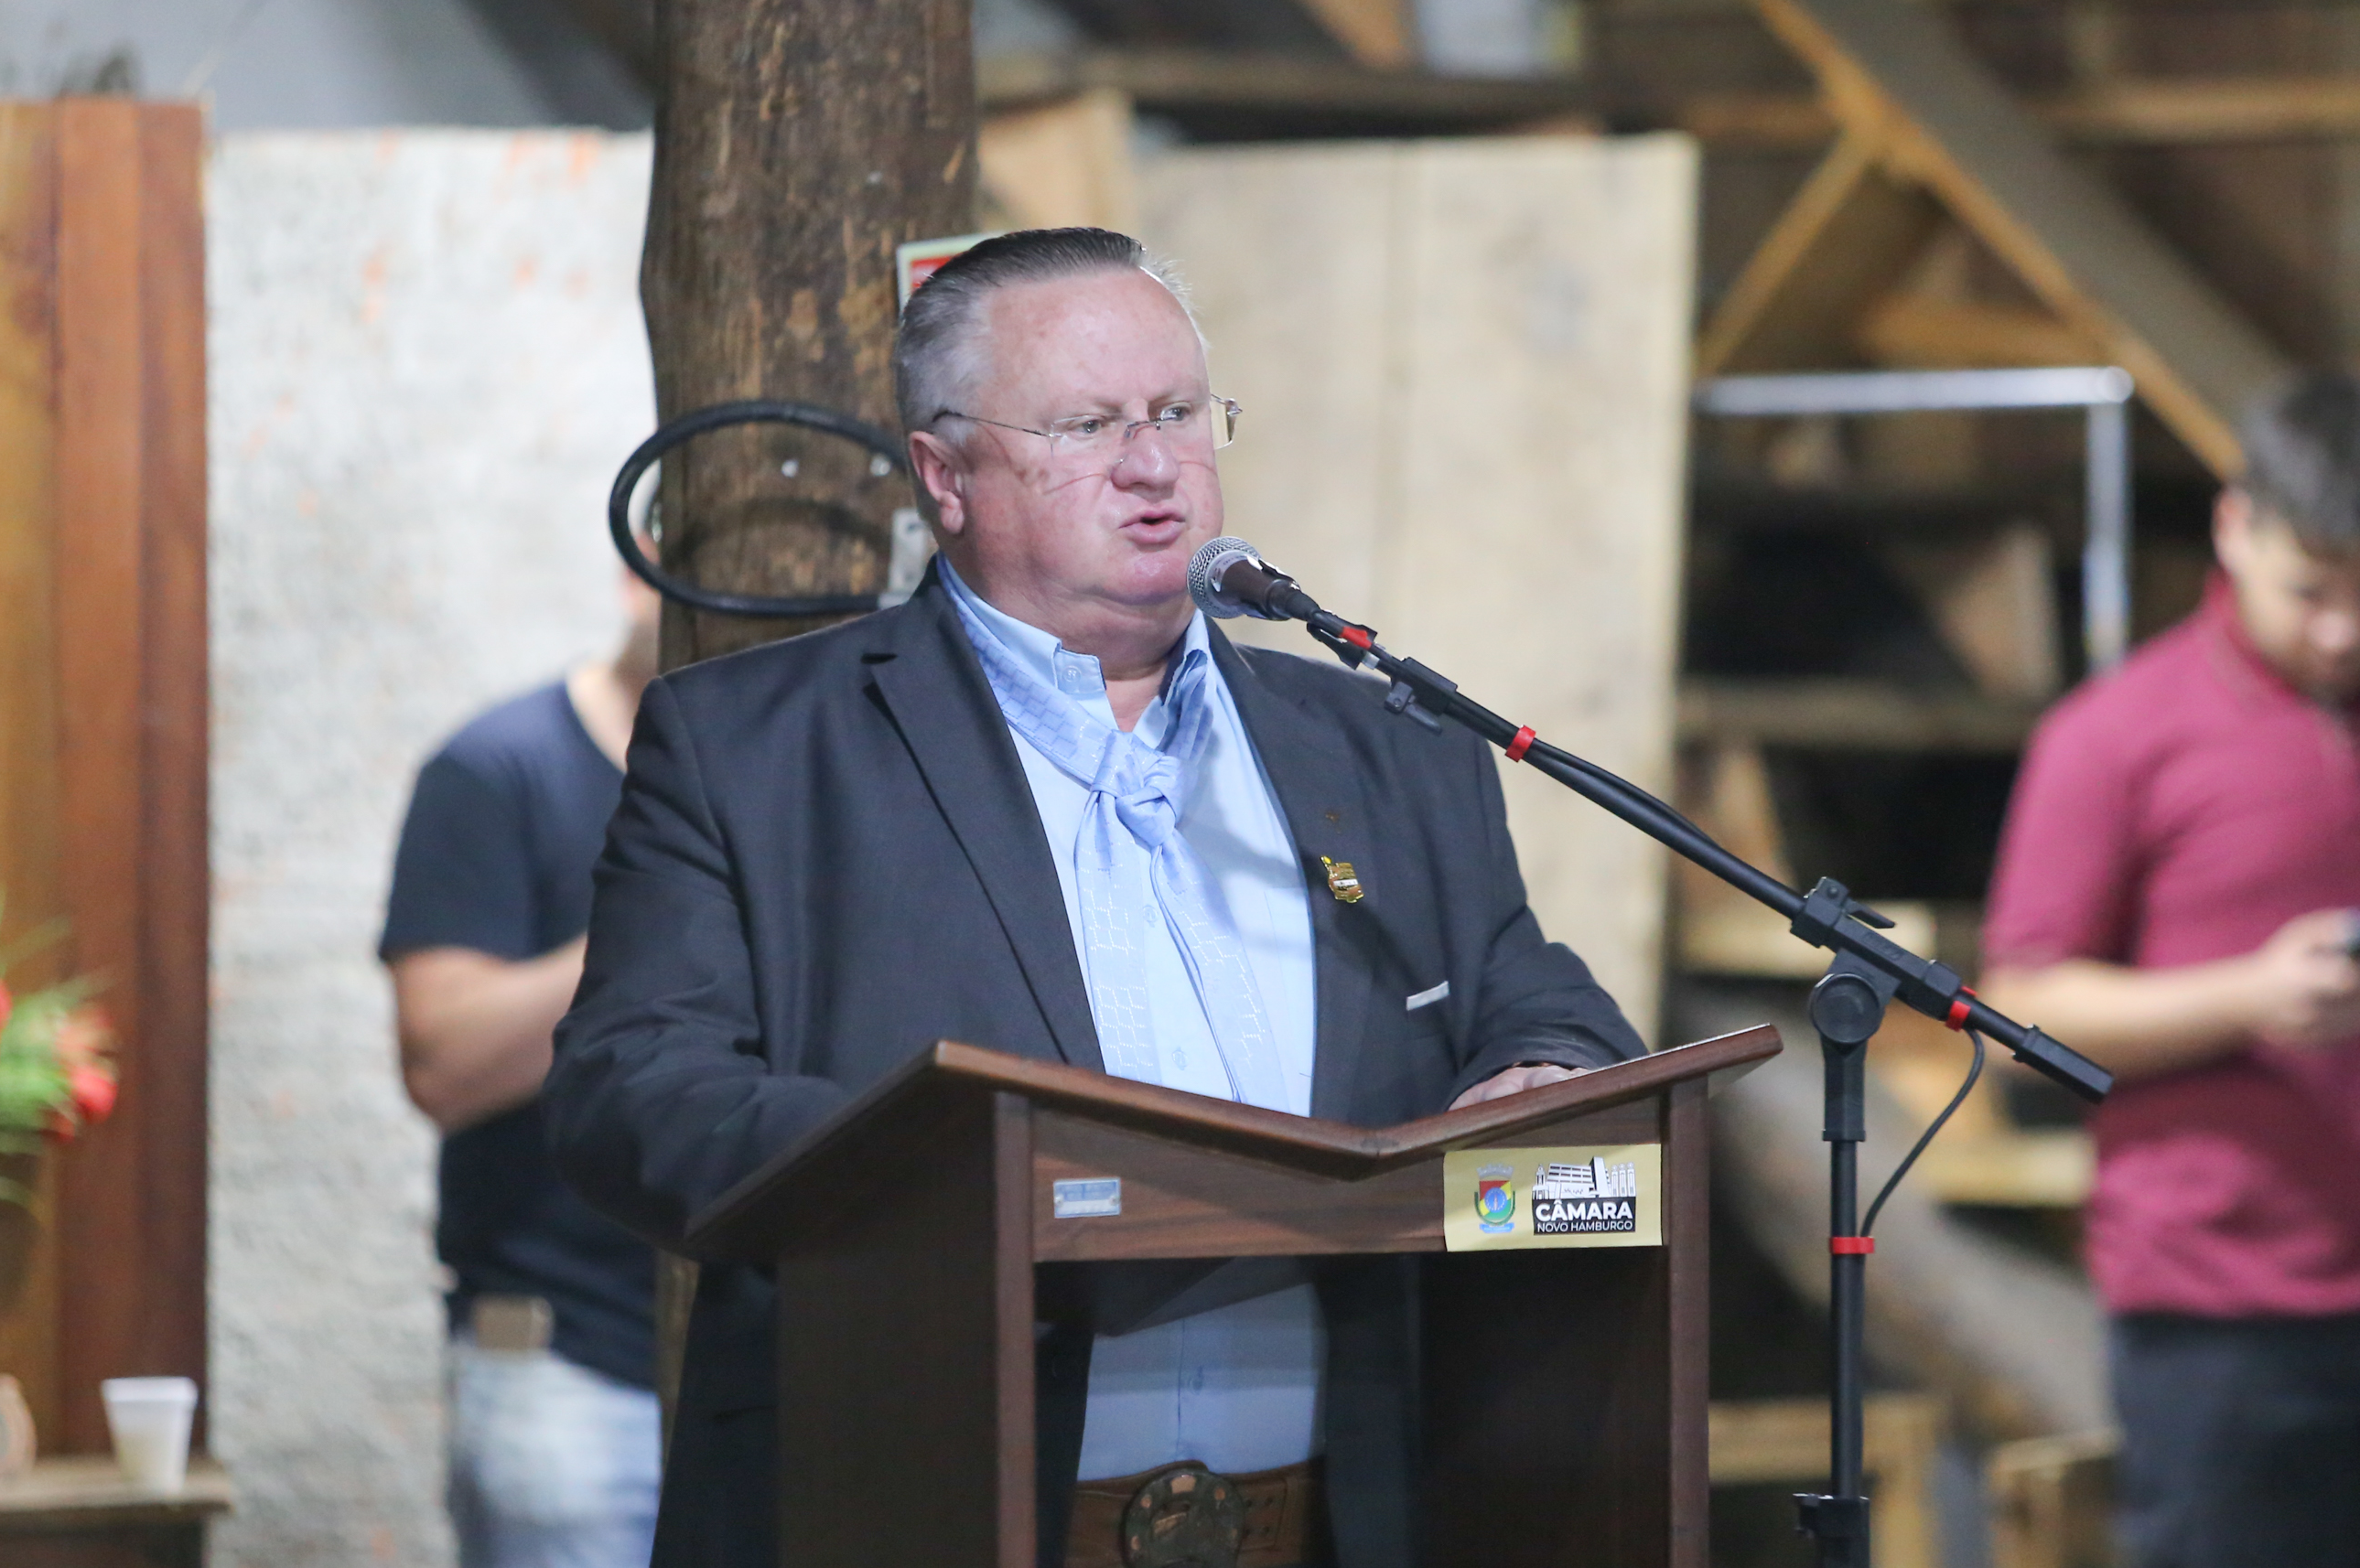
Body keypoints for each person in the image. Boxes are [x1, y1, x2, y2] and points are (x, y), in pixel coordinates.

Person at [542, 227, 1643, 1568]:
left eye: (1178, 413)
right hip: (917, 1503)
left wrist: (1549, 1066)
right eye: (1086, 425)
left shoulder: (1387, 744)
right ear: (944, 474)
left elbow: (1530, 990)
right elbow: (632, 1091)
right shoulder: (757, 748)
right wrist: (940, 1174)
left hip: (1338, 1517)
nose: (1154, 465)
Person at [1979, 371, 2360, 1568]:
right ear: (2235, 526)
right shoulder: (2113, 738)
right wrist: (2252, 997)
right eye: (2310, 589)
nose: (2342, 630)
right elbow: (2016, 1012)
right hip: (2219, 1317)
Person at [383, 575, 665, 1568]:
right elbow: (444, 1064)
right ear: (637, 565)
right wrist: (669, 915)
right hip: (568, 1366)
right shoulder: (501, 765)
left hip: (790, 1364)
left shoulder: (818, 775)